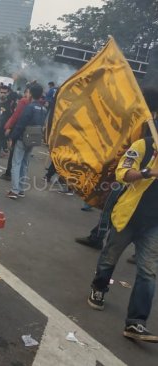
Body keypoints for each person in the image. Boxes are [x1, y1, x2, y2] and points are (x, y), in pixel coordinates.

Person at [86, 87, 158, 342]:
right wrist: (148, 172)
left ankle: (136, 323)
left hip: (154, 224)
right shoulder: (144, 146)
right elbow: (123, 173)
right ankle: (98, 287)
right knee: (110, 257)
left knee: (148, 272)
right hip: (128, 216)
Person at [7, 83, 47, 199]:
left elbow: (20, 124)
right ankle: (21, 190)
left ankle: (14, 190)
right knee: (25, 164)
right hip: (34, 138)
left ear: (31, 94)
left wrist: (12, 138)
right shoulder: (43, 109)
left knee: (16, 163)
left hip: (23, 137)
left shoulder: (29, 107)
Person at [0, 86, 31, 180]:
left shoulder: (23, 101)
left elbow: (16, 115)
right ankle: (21, 181)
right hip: (31, 134)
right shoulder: (39, 105)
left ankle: (10, 176)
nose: (26, 94)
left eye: (27, 92)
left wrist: (8, 127)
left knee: (14, 155)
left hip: (19, 131)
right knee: (25, 159)